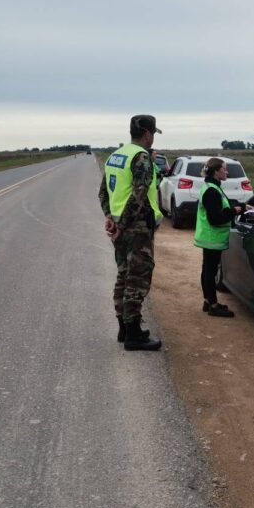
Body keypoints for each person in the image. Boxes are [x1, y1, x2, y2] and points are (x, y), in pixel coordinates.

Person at [98, 115, 164, 350]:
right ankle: (134, 335)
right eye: (153, 133)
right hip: (136, 229)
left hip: (121, 227)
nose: (153, 137)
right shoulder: (141, 157)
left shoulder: (116, 156)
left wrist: (111, 218)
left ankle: (124, 329)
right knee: (137, 279)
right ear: (147, 133)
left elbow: (103, 193)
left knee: (124, 276)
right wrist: (123, 225)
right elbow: (138, 197)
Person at [194, 158, 254, 317]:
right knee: (210, 272)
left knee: (207, 270)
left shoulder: (211, 187)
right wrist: (235, 210)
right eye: (224, 169)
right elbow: (216, 218)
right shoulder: (212, 191)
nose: (227, 172)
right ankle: (213, 305)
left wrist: (241, 207)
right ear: (216, 172)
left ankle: (208, 301)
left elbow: (221, 208)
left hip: (209, 237)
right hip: (212, 238)